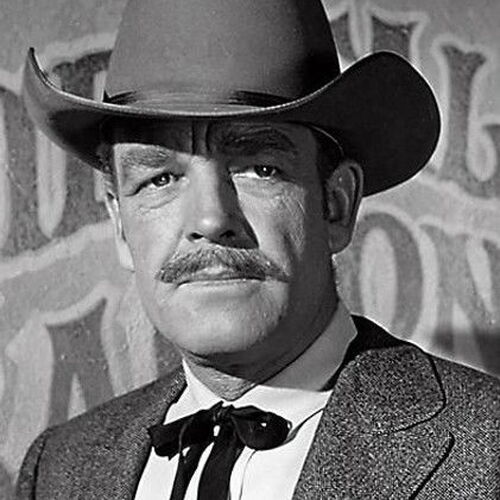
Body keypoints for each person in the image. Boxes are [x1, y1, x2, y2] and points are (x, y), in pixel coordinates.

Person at [16, 0, 500, 498]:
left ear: (336, 205)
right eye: (160, 179)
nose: (210, 220)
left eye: (259, 168)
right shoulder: (59, 470)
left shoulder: (488, 453)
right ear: (120, 224)